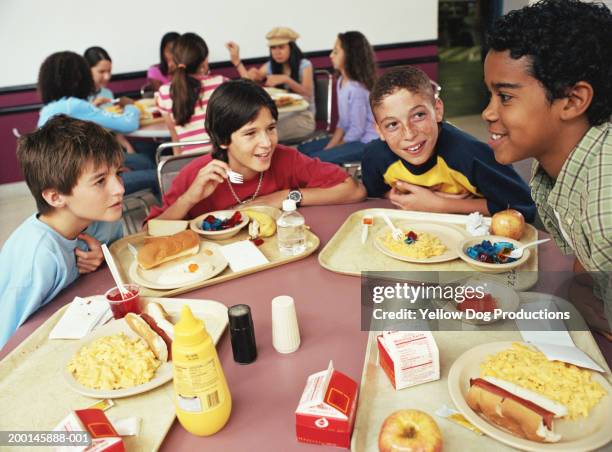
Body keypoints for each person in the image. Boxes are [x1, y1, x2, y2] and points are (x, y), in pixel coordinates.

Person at [482, 0, 612, 335]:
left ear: (571, 100)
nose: (488, 113)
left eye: (505, 97)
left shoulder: (605, 201)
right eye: (490, 96)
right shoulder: (555, 173)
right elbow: (585, 266)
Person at [147, 79, 366, 221]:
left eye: (270, 128)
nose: (266, 143)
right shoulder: (198, 175)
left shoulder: (286, 158)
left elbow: (354, 190)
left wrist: (284, 196)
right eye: (250, 133)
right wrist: (189, 199)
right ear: (223, 139)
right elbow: (150, 233)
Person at [0, 116, 125, 349]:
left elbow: (122, 272)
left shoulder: (106, 218)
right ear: (56, 197)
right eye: (100, 181)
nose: (119, 189)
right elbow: (7, 348)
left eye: (119, 173)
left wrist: (105, 260)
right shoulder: (36, 258)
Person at [362, 65, 535, 221]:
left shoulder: (470, 155)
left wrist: (441, 205)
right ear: (379, 131)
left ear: (437, 110)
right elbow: (374, 198)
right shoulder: (375, 157)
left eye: (418, 115)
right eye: (392, 124)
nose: (409, 134)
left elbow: (524, 207)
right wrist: (405, 198)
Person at [37, 51, 158, 196]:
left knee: (143, 160)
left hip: (65, 181)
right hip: (85, 185)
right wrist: (130, 105)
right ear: (81, 77)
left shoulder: (49, 108)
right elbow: (129, 124)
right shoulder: (74, 105)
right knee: (156, 173)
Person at [298, 31, 378, 164]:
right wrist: (331, 145)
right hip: (351, 137)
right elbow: (342, 122)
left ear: (349, 56)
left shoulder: (356, 89)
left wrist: (331, 148)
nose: (331, 56)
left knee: (316, 159)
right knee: (303, 150)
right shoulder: (341, 81)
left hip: (365, 142)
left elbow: (357, 131)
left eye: (335, 52)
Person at [226, 27, 315, 142]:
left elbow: (308, 93)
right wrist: (237, 62)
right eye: (273, 48)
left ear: (291, 47)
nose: (277, 52)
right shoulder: (270, 66)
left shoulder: (304, 65)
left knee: (261, 133)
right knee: (253, 128)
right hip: (278, 117)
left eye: (281, 47)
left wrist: (286, 80)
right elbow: (248, 85)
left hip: (304, 118)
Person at [156, 32, 227, 154]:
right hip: (220, 162)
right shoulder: (221, 84)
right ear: (204, 60)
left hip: (187, 165)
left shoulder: (164, 93)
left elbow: (175, 140)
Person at [84, 46, 140, 156]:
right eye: (101, 71)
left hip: (112, 145)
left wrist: (127, 145)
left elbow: (114, 127)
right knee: (147, 162)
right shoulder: (78, 97)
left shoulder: (107, 93)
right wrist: (91, 108)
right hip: (94, 153)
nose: (107, 76)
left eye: (109, 71)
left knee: (149, 152)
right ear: (87, 70)